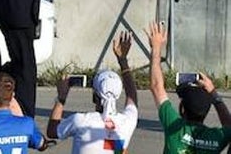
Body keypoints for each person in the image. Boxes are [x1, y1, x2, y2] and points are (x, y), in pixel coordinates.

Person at [146, 21, 231, 154]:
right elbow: (229, 125)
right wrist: (214, 93)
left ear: (182, 108)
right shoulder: (217, 138)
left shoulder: (174, 126)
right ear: (207, 110)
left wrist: (156, 48)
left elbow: (157, 86)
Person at [47, 35, 138, 154]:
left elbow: (52, 131)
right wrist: (123, 61)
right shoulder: (127, 122)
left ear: (95, 96)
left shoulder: (81, 121)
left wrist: (61, 98)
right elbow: (132, 97)